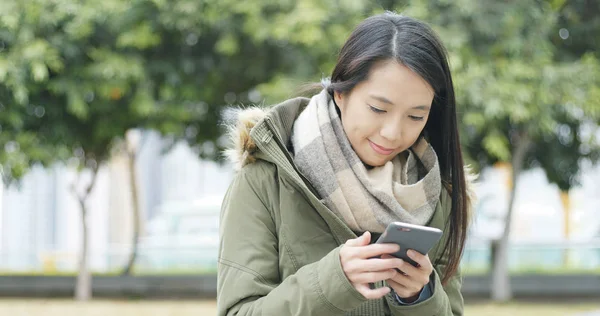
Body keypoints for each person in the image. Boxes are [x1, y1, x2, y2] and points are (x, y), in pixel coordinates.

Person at [217, 12, 474, 316]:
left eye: (416, 116)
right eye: (378, 108)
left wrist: (421, 296)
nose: (393, 133)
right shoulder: (264, 180)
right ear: (340, 92)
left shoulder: (434, 194)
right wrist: (332, 281)